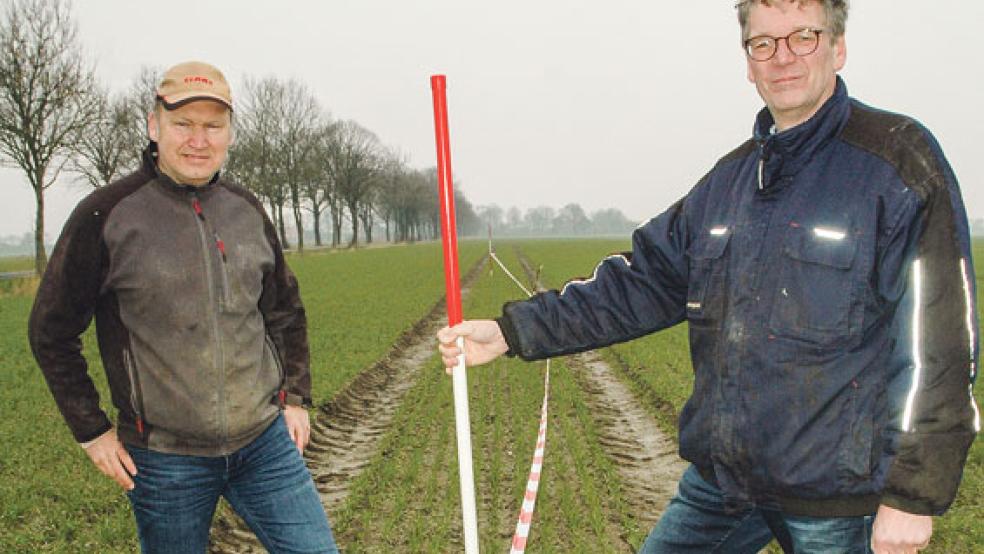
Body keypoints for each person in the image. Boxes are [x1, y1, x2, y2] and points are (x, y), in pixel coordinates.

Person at [438, 1, 979, 553]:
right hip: (726, 484)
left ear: (838, 47)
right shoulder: (729, 184)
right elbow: (638, 284)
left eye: (803, 37)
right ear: (748, 62)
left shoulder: (896, 165)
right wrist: (511, 332)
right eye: (763, 43)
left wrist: (913, 495)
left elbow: (940, 344)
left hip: (838, 498)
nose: (782, 57)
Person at [28, 61, 338, 553]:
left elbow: (284, 310)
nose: (199, 140)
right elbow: (51, 331)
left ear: (229, 134)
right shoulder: (105, 215)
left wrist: (296, 397)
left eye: (213, 126)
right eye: (183, 124)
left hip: (264, 445)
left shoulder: (246, 210)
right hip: (164, 458)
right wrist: (91, 431)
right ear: (155, 127)